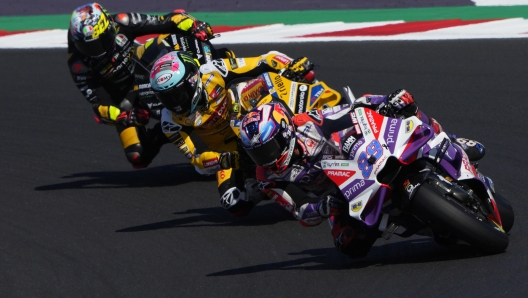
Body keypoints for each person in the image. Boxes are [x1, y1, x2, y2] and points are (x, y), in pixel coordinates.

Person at [238, 89, 485, 258]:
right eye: (257, 154)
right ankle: (428, 223)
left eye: (268, 148)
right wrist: (323, 208)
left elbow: (353, 108)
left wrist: (387, 101)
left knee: (404, 110)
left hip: (359, 156)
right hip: (339, 195)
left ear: (284, 131)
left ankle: (450, 140)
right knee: (348, 245)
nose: (266, 158)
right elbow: (299, 209)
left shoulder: (307, 124)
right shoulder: (267, 178)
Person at [148, 50, 315, 216]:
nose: (175, 104)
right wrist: (226, 159)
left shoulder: (214, 71)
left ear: (192, 79)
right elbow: (197, 160)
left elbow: (265, 60)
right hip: (231, 152)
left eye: (178, 94)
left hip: (252, 119)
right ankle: (269, 184)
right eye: (166, 98)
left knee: (274, 82)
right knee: (234, 202)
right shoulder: (169, 121)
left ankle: (311, 121)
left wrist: (291, 67)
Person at [67, 3, 219, 168]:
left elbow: (169, 19)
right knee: (137, 156)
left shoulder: (122, 21)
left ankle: (208, 70)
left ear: (110, 28)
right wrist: (123, 116)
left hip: (145, 67)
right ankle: (163, 131)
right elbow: (99, 106)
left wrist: (195, 25)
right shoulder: (78, 66)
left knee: (163, 40)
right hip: (126, 99)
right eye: (87, 47)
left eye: (101, 42)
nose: (97, 51)